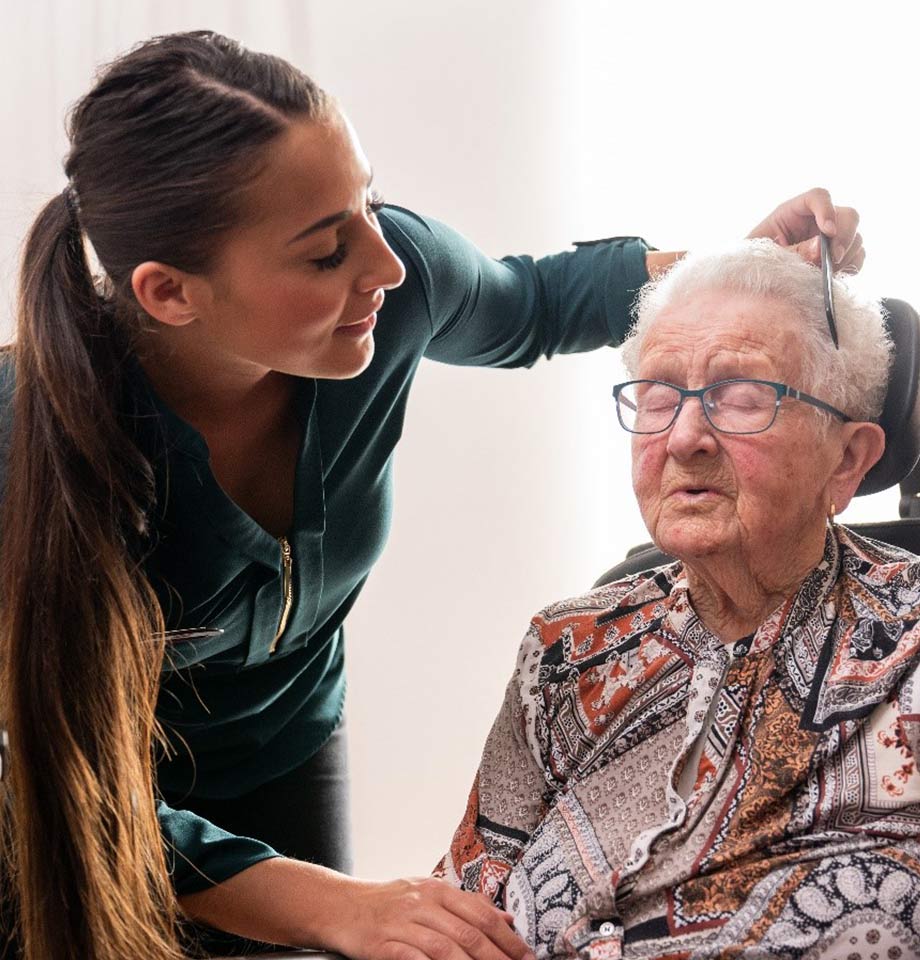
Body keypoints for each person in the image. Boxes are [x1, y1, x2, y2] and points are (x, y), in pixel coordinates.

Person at [0, 28, 865, 960]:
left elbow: (530, 302)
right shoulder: (29, 454)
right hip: (69, 812)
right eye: (327, 253)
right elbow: (55, 775)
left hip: (283, 750)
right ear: (170, 293)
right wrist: (334, 907)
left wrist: (734, 273)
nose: (388, 264)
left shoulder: (388, 290)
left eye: (367, 205)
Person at [438, 239, 920, 958]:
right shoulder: (567, 651)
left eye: (743, 396)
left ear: (847, 459)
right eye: (660, 394)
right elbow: (460, 909)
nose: (685, 436)